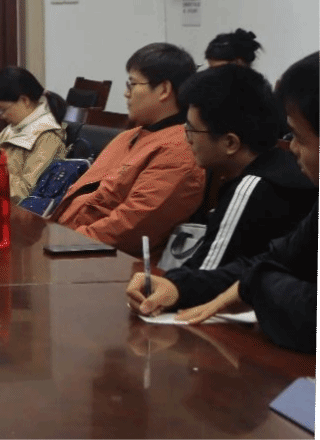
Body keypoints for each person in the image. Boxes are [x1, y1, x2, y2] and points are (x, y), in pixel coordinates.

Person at [128, 52, 319, 354]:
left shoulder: (256, 185)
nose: (293, 148)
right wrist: (178, 286)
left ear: (231, 142)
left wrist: (261, 284)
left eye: (298, 137)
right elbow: (269, 262)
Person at [53, 43, 205, 257]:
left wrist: (63, 242)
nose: (126, 93)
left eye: (132, 84)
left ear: (164, 90)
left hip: (103, 259)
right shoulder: (128, 136)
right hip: (69, 240)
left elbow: (131, 227)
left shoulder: (180, 151)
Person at [160, 64, 313, 271]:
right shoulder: (279, 166)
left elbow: (206, 271)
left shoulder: (252, 188)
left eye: (193, 130)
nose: (188, 139)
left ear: (230, 143)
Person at [0, 67, 68, 201]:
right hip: (1, 203)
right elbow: (6, 173)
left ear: (24, 100)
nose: (1, 116)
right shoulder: (14, 128)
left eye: (2, 109)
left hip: (20, 211)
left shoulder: (47, 136)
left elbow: (27, 192)